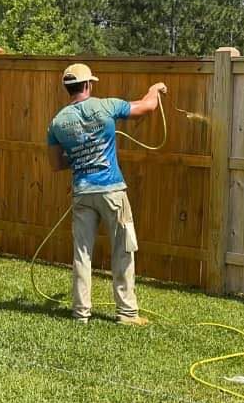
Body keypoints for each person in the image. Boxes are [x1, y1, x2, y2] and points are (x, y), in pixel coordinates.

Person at [46, 63, 167, 326]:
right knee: (123, 249)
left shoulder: (57, 122)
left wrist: (80, 157)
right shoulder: (105, 106)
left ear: (68, 88)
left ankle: (81, 314)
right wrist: (154, 88)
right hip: (112, 191)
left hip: (82, 194)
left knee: (82, 254)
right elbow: (146, 107)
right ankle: (127, 313)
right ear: (88, 85)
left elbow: (56, 164)